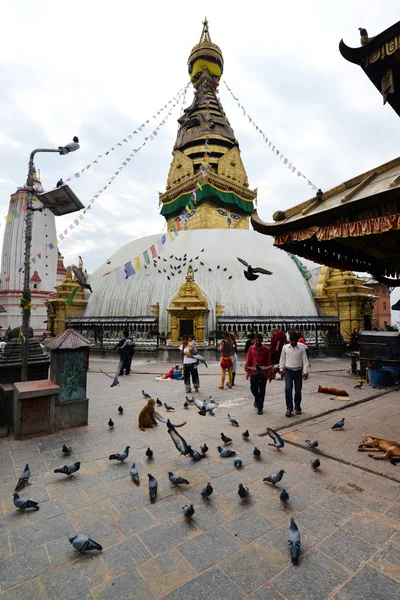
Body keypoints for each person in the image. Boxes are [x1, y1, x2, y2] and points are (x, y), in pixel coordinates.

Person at [279, 331, 309, 417]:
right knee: (288, 389)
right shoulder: (285, 347)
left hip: (298, 370)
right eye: (291, 341)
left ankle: (297, 407)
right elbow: (282, 359)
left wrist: (305, 371)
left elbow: (305, 360)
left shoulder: (301, 348)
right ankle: (289, 408)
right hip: (288, 371)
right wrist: (281, 369)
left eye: (295, 341)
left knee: (298, 390)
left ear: (297, 340)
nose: (293, 343)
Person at [244, 333, 271, 415]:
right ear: (254, 340)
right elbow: (248, 360)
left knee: (262, 391)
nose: (257, 342)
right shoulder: (251, 349)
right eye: (256, 340)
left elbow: (268, 361)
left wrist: (270, 372)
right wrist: (247, 370)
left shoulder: (265, 349)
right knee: (253, 389)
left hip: (263, 373)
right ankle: (257, 398)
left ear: (262, 340)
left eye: (259, 340)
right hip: (253, 372)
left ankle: (260, 407)